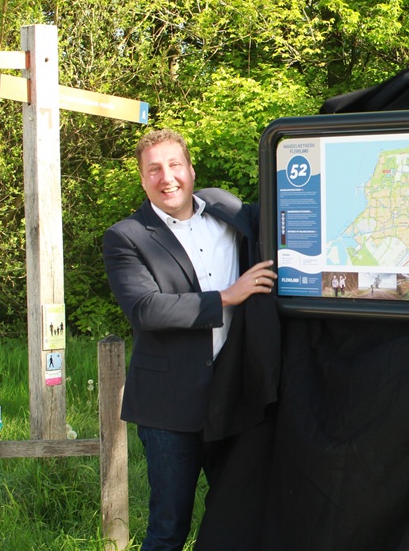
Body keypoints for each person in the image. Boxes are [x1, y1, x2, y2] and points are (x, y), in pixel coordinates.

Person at [102, 128, 277, 551]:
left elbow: (281, 221)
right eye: (154, 170)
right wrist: (227, 297)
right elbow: (146, 308)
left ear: (191, 169)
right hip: (169, 407)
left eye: (174, 165)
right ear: (143, 179)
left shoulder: (227, 209)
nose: (167, 178)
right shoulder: (127, 236)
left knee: (237, 520)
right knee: (168, 528)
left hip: (235, 396)